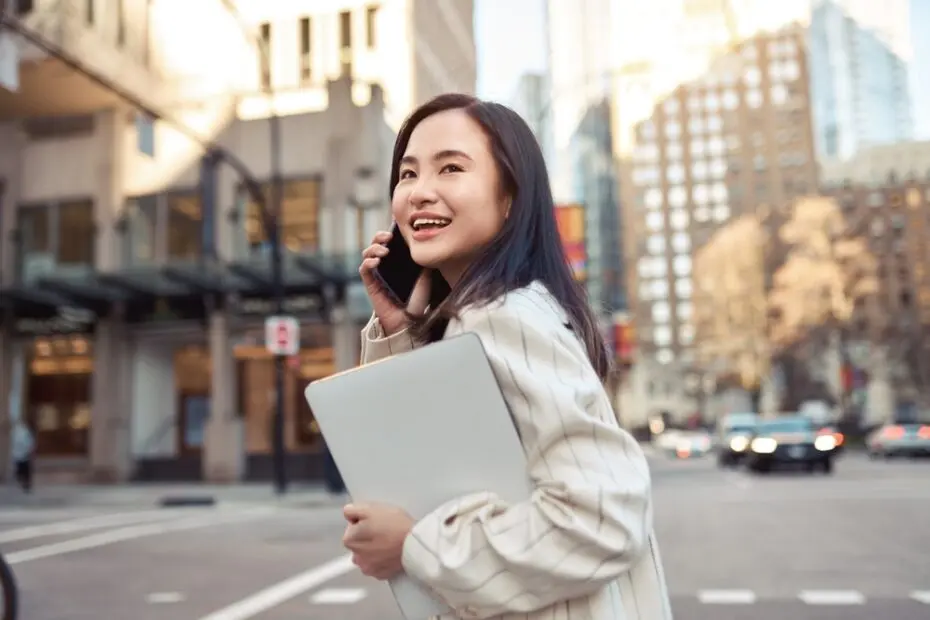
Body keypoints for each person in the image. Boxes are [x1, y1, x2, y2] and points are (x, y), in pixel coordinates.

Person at [342, 93, 672, 619]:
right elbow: (441, 464)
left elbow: (602, 516)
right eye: (407, 175)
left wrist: (416, 546)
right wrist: (399, 328)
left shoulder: (503, 315)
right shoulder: (493, 314)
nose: (419, 193)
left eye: (450, 168)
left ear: (510, 199)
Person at [11, 421, 35, 493]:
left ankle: (24, 483)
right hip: (23, 454)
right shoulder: (24, 432)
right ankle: (25, 484)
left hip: (20, 454)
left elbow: (29, 442)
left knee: (22, 470)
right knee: (25, 470)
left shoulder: (16, 432)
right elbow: (30, 442)